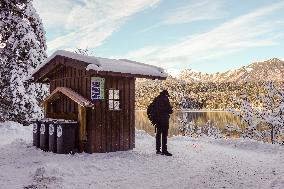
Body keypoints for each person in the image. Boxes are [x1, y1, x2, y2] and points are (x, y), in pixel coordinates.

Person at [150, 90, 173, 156]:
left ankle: (158, 150)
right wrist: (171, 109)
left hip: (157, 120)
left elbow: (151, 108)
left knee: (158, 135)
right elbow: (170, 110)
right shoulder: (165, 99)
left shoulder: (156, 99)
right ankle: (164, 151)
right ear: (166, 94)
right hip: (164, 120)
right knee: (164, 135)